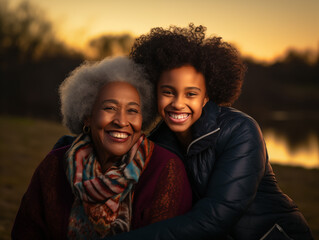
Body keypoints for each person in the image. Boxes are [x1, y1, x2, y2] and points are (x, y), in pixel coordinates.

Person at [104, 24, 313, 239]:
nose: (178, 103)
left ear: (206, 97)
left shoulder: (241, 131)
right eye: (168, 92)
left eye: (191, 94)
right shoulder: (157, 141)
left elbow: (216, 217)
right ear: (154, 92)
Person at [11, 57, 192, 239]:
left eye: (132, 110)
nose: (121, 121)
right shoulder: (54, 165)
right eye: (110, 108)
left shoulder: (165, 168)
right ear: (87, 116)